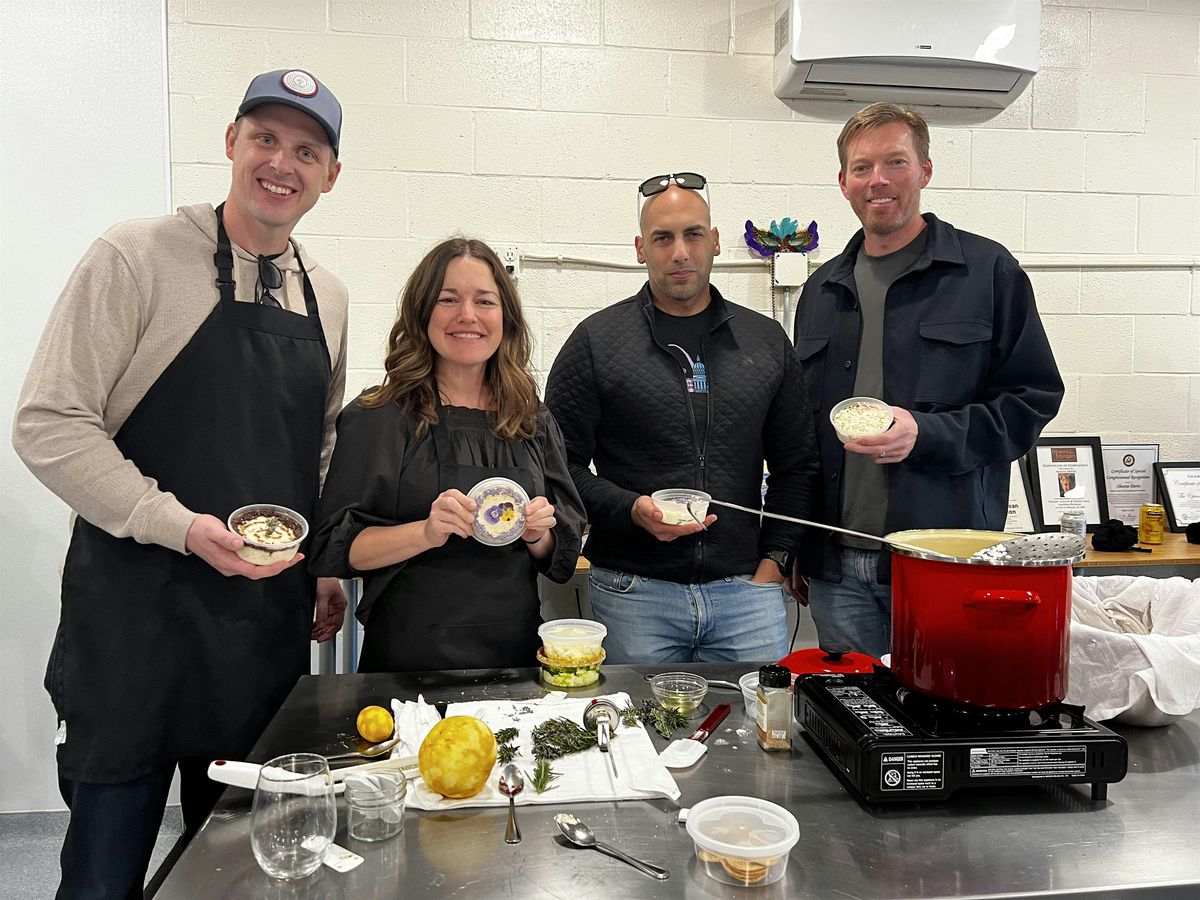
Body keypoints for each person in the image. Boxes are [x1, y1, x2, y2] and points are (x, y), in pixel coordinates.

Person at [12, 69, 350, 897]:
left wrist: (326, 564)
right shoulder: (135, 256)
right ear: (231, 141)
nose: (283, 164)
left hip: (256, 630)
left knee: (236, 871)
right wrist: (177, 524)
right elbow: (48, 423)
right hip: (133, 621)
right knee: (102, 873)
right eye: (266, 138)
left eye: (307, 150)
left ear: (330, 176)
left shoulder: (328, 297)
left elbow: (320, 450)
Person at [791, 102, 1064, 658]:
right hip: (837, 565)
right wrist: (798, 544)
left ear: (925, 170)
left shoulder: (986, 271)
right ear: (843, 182)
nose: (879, 180)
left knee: (947, 723)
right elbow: (804, 433)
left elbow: (1033, 399)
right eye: (862, 168)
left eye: (895, 162)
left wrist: (928, 433)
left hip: (944, 560)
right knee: (856, 722)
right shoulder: (821, 289)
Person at [545, 173, 819, 664]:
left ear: (714, 242)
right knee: (640, 738)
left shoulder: (766, 342)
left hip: (746, 596)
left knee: (760, 734)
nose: (680, 252)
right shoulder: (595, 342)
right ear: (639, 249)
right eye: (662, 238)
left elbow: (798, 464)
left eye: (693, 234)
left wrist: (775, 561)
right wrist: (630, 508)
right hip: (634, 594)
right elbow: (558, 467)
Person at [309, 238, 586, 672]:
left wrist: (537, 535)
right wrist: (425, 531)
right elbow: (337, 548)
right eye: (448, 299)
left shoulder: (530, 419)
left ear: (506, 317)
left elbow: (559, 554)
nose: (467, 316)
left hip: (514, 658)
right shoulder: (379, 417)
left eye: (485, 301)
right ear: (422, 314)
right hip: (406, 662)